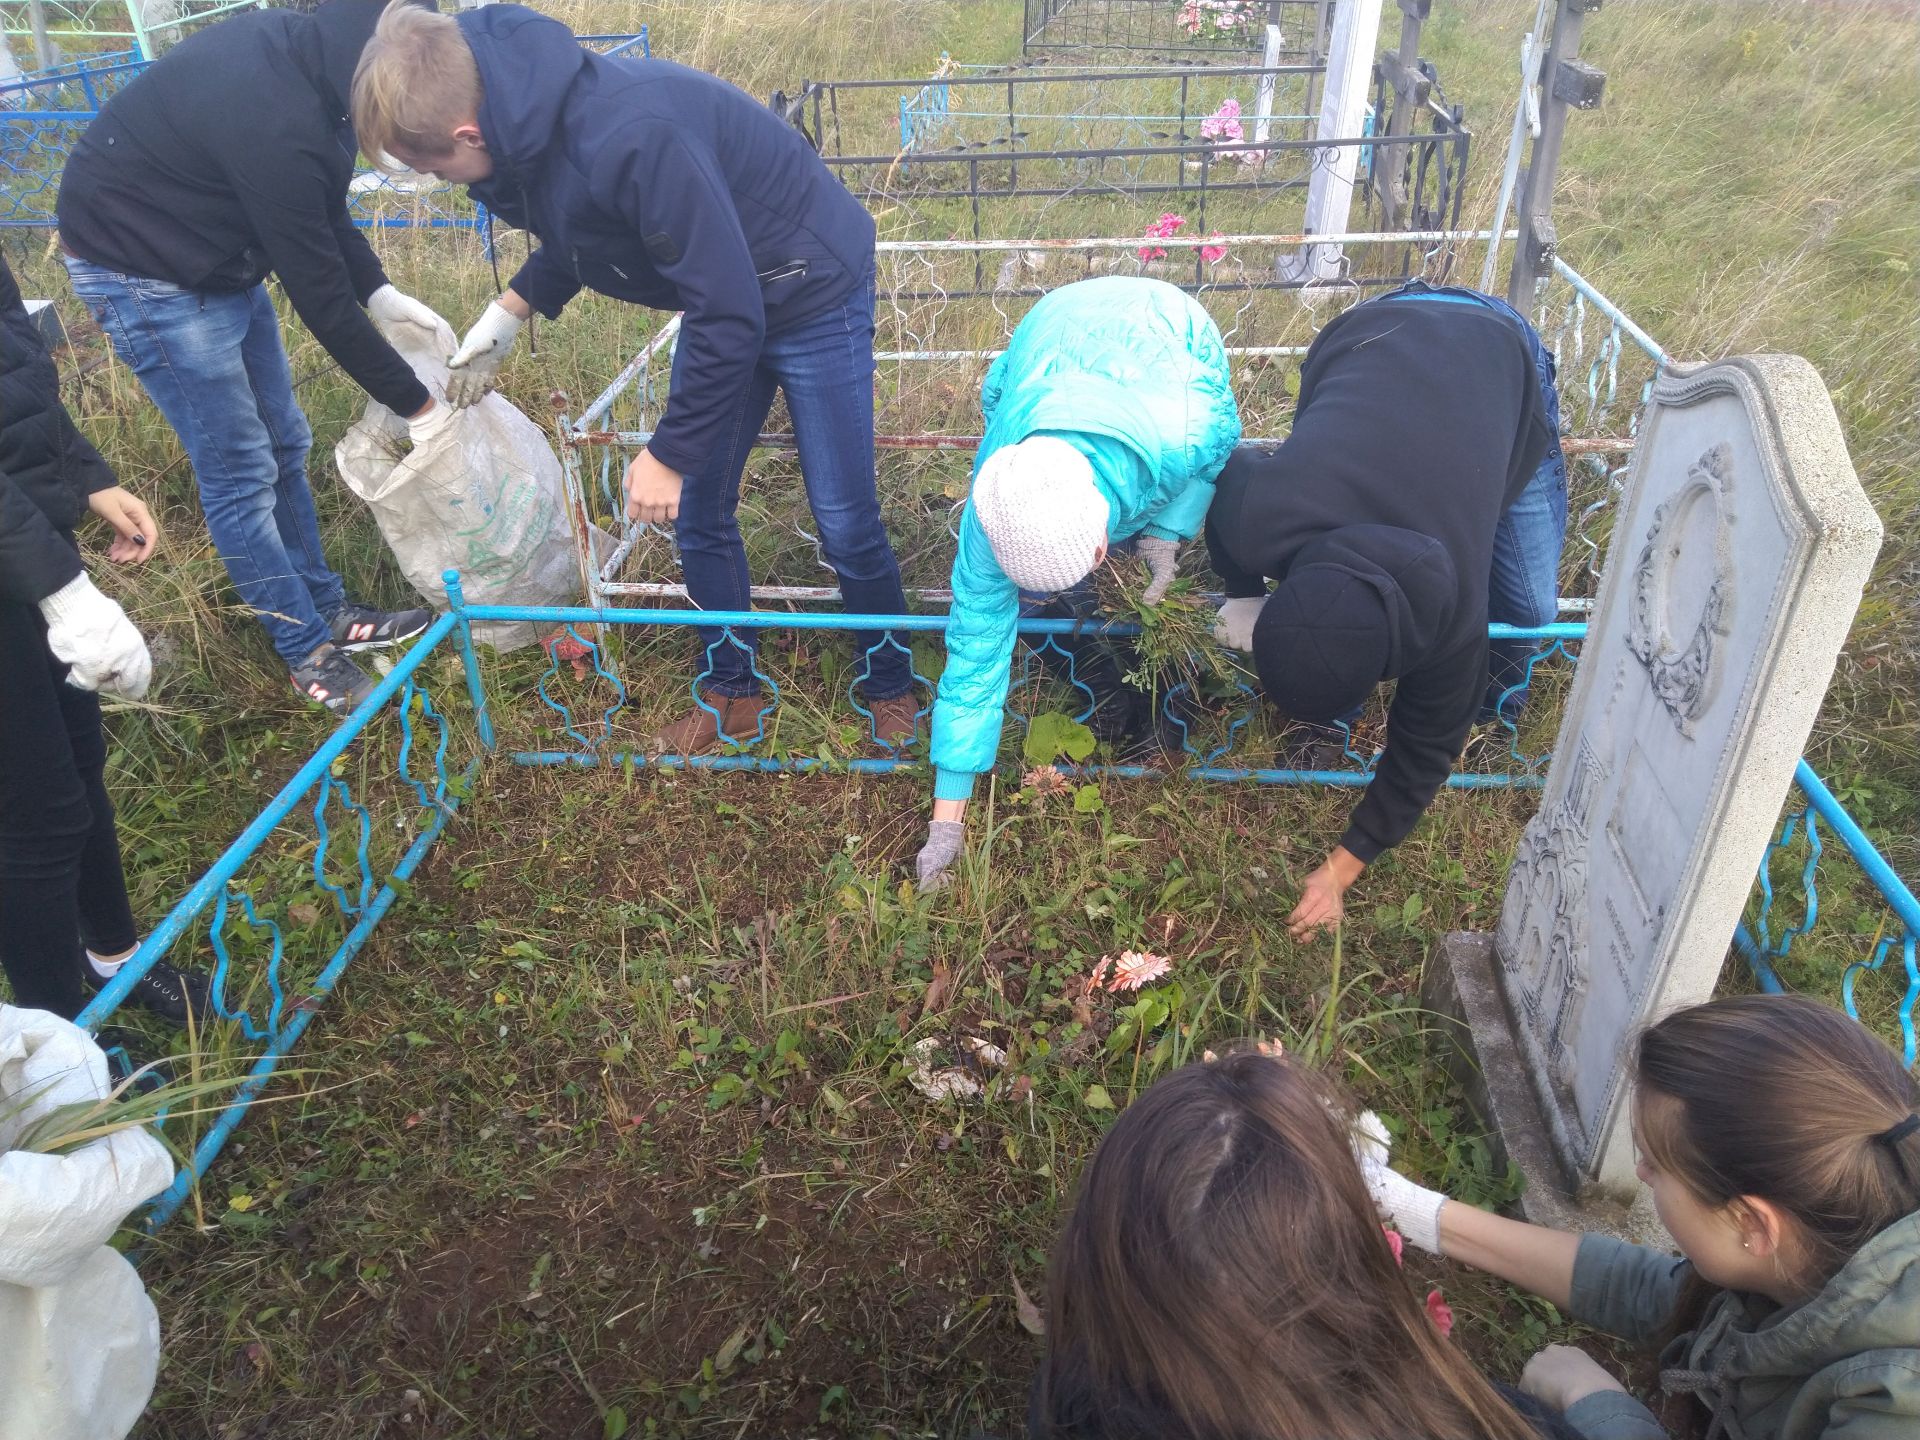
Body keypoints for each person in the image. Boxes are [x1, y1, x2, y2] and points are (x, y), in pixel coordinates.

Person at [351, 0, 919, 753]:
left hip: (810, 287)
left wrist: (671, 451)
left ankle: (890, 684)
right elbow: (583, 222)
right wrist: (513, 308)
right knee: (700, 513)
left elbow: (726, 309)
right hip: (727, 294)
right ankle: (732, 694)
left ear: (468, 132)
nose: (440, 180)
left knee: (844, 516)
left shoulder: (633, 134)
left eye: (435, 166)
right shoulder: (532, 126)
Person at [55, 0, 437, 716]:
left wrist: (380, 291)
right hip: (143, 268)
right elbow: (320, 298)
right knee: (239, 468)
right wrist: (419, 404)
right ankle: (305, 649)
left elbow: (322, 210)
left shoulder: (323, 70)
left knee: (285, 439)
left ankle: (327, 609)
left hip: (216, 249)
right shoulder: (274, 112)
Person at [1364, 994, 1920, 1440]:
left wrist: (1597, 1405)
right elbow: (1656, 1293)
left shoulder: (1894, 1402)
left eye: (1656, 1162)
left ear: (1752, 1224)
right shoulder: (1832, 1234)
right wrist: (1409, 1206)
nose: (1642, 1172)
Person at [1205, 280, 1566, 936]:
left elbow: (1423, 751)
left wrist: (1343, 868)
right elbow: (1231, 471)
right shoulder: (1262, 518)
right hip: (1369, 334)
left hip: (1495, 353)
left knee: (1532, 607)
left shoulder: (1454, 626)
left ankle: (1500, 718)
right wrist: (1243, 594)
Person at [1032, 1044, 1581, 1440]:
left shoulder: (1076, 1403)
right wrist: (1598, 1406)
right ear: (1351, 1270)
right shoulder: (1484, 1417)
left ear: (1100, 1260)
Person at [913, 276, 1242, 890]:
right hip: (1049, 332)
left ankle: (1161, 708)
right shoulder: (996, 500)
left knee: (1149, 579)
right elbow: (976, 654)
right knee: (1024, 602)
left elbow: (1218, 447)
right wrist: (947, 823)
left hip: (1168, 331)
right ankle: (1105, 683)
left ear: (1099, 544)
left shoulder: (1186, 428)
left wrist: (1166, 533)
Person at [0, 254, 210, 1024]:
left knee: (79, 762)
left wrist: (84, 473)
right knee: (32, 811)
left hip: (21, 528)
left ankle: (111, 959)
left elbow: (11, 357)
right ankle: (50, 1052)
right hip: (18, 551)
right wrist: (64, 588)